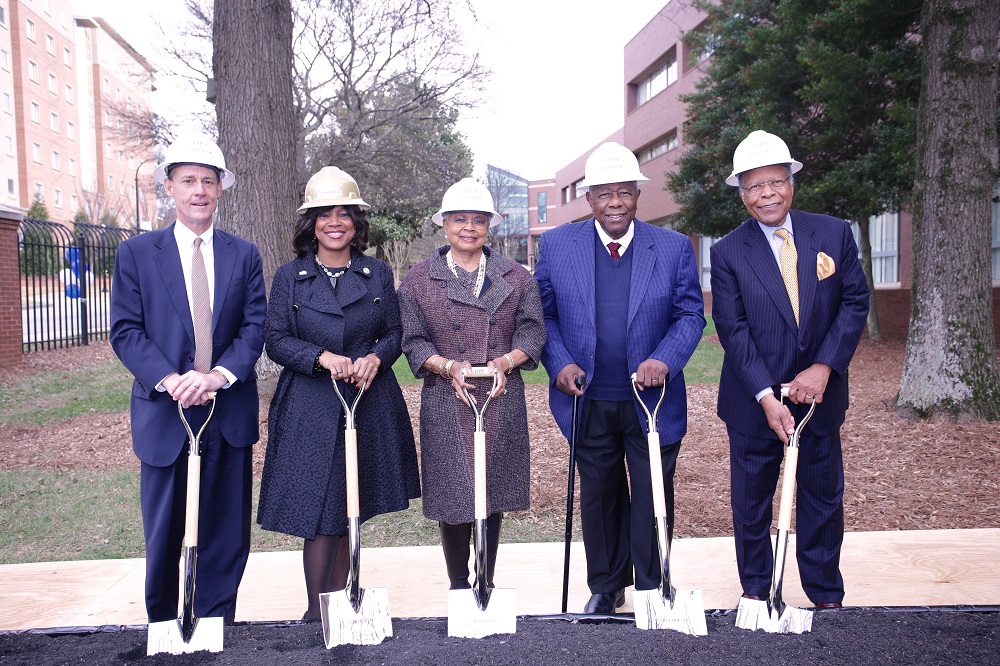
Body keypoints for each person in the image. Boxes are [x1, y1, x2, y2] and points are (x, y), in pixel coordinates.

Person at [534, 142, 705, 614]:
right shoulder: (557, 245)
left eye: (624, 193)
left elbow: (691, 315)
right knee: (600, 493)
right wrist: (559, 361)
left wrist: (665, 359)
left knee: (653, 492)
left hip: (652, 400)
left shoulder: (670, 247)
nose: (615, 202)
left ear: (637, 196)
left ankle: (653, 585)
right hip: (587, 397)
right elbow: (542, 317)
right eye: (605, 194)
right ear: (588, 198)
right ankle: (606, 587)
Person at [110, 134, 266, 624]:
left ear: (221, 189)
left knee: (225, 530)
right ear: (170, 188)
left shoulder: (244, 254)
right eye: (188, 181)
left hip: (227, 412)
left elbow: (254, 325)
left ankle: (214, 625)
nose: (198, 190)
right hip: (165, 413)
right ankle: (163, 626)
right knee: (164, 530)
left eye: (208, 181)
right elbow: (126, 330)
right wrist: (171, 379)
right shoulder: (137, 253)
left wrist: (217, 376)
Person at [710, 130, 869, 608]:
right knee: (752, 505)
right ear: (742, 194)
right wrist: (765, 396)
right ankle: (757, 592)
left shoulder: (833, 233)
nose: (767, 194)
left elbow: (855, 300)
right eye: (755, 187)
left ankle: (824, 594)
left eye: (776, 182)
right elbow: (732, 329)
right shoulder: (727, 252)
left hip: (819, 397)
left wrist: (823, 368)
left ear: (792, 182)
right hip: (753, 402)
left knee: (822, 499)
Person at [257, 166, 420, 622]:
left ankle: (346, 600)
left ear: (356, 223)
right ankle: (316, 610)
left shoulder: (377, 273)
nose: (335, 222)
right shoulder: (291, 276)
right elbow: (275, 338)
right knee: (321, 505)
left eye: (344, 214)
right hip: (310, 404)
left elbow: (394, 332)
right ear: (310, 223)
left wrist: (376, 357)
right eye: (324, 214)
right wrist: (321, 357)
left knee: (354, 502)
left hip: (368, 401)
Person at [398, 177, 546, 591]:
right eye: (459, 219)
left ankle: (487, 582)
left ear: (489, 227)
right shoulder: (418, 279)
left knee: (491, 491)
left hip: (500, 395)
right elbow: (412, 340)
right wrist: (447, 366)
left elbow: (533, 333)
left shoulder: (516, 276)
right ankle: (459, 584)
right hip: (447, 396)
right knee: (454, 493)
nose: (469, 228)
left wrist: (505, 361)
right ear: (444, 225)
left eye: (478, 220)